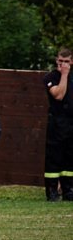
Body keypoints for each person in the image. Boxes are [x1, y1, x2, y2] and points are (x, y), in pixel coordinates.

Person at [41, 48, 73, 201]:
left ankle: (68, 191)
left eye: (67, 62)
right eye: (61, 61)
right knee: (54, 157)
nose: (63, 65)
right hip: (57, 121)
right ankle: (52, 191)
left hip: (71, 121)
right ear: (56, 60)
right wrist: (64, 75)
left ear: (72, 62)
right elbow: (58, 95)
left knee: (69, 157)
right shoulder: (51, 76)